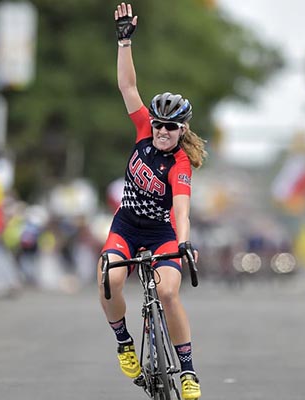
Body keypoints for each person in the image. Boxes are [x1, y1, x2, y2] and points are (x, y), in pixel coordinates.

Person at [97, 4, 207, 399]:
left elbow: (181, 208)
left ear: (181, 130)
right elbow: (128, 87)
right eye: (159, 125)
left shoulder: (180, 162)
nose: (162, 131)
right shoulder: (144, 128)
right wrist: (124, 40)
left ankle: (188, 371)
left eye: (170, 127)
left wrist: (183, 243)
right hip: (127, 224)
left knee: (168, 292)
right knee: (109, 280)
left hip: (162, 232)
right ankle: (125, 343)